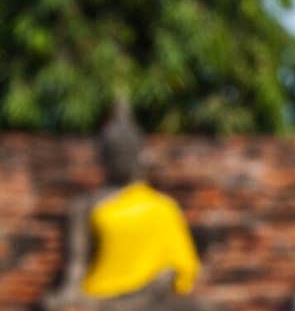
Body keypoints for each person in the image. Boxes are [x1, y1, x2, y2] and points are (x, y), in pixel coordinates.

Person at [61, 99, 200, 300]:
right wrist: (70, 296)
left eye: (126, 151)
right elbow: (75, 270)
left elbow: (179, 268)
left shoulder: (162, 207)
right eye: (114, 153)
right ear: (104, 157)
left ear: (140, 154)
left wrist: (155, 286)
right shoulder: (86, 206)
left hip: (149, 301)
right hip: (100, 297)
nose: (121, 159)